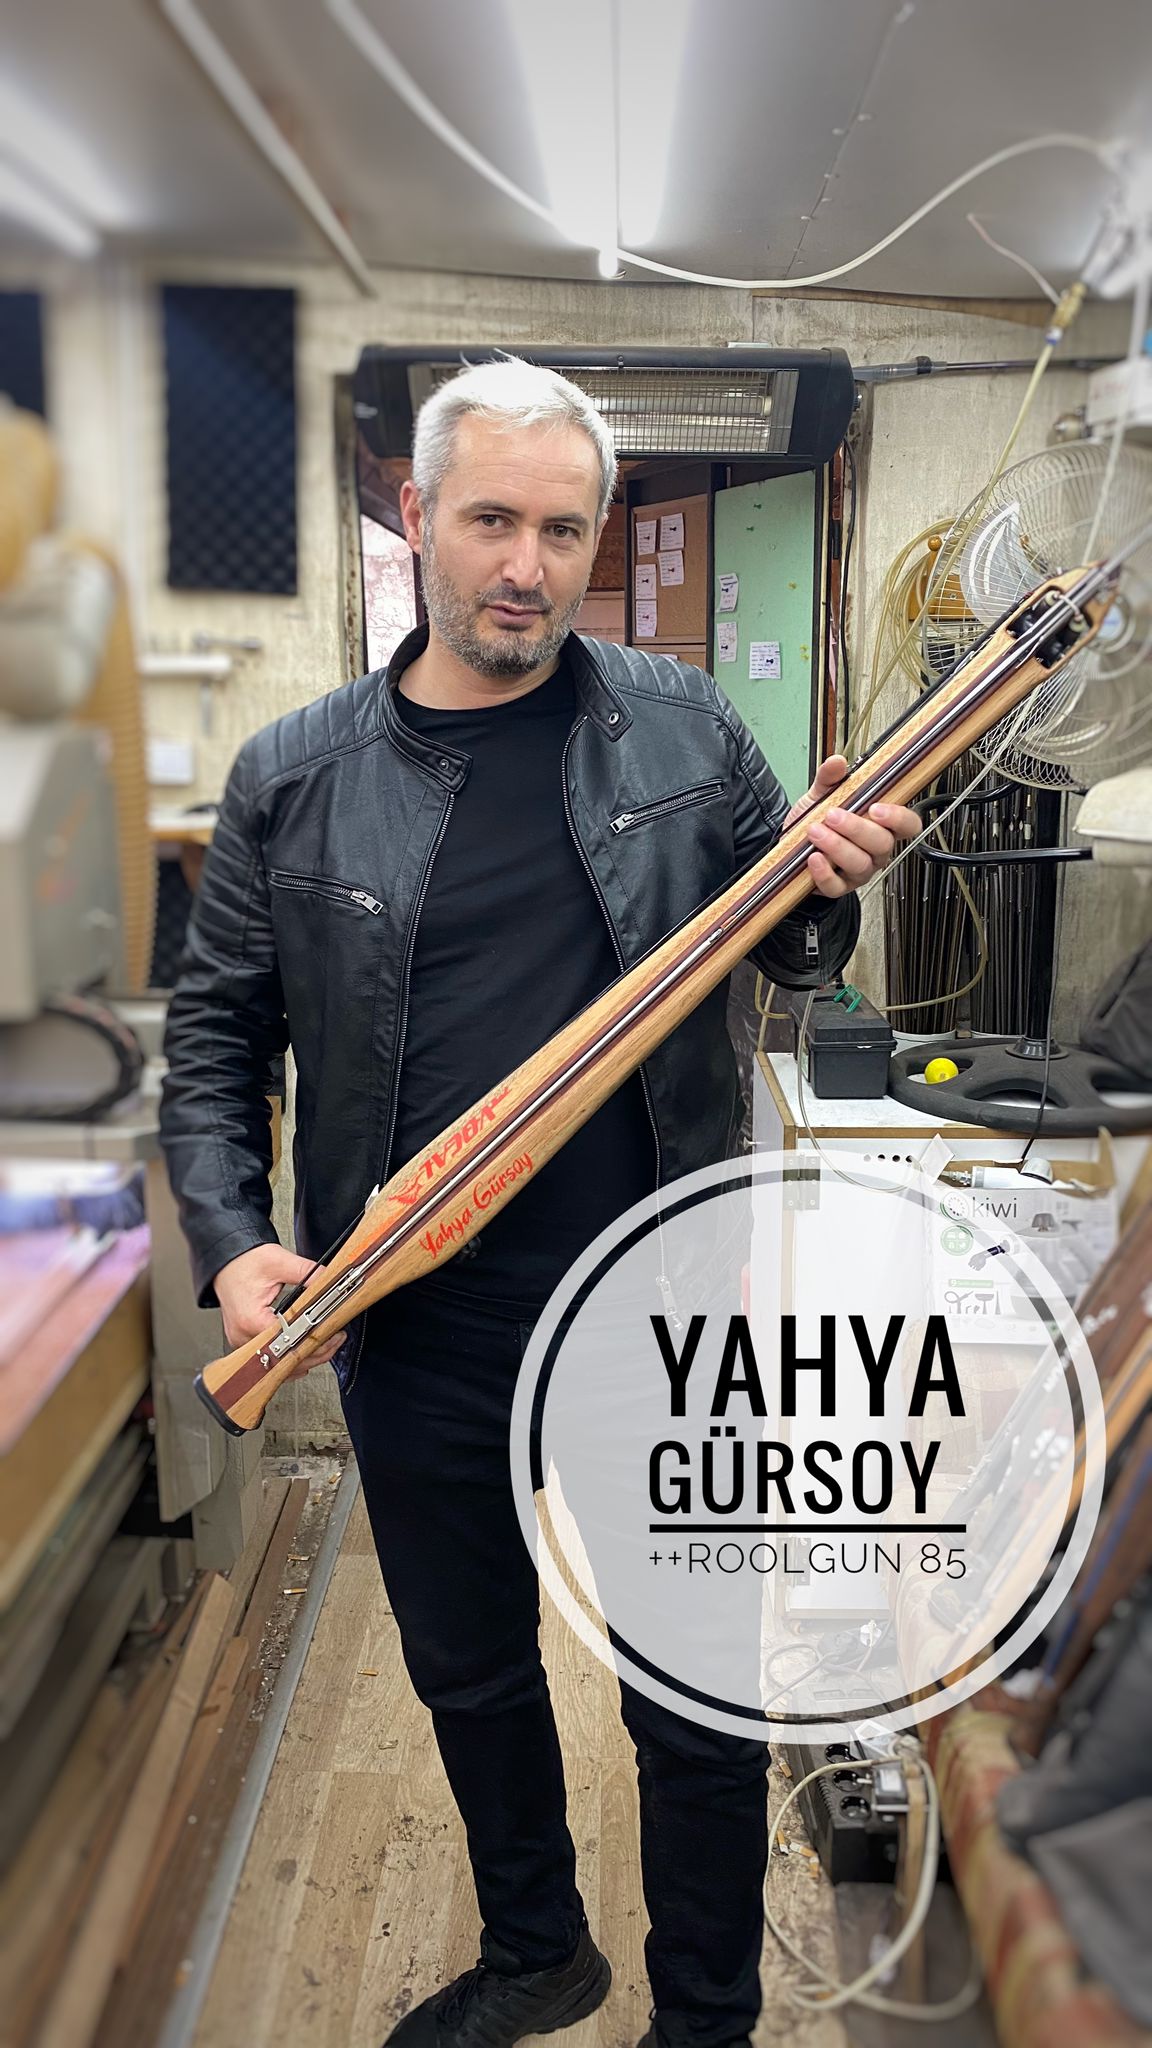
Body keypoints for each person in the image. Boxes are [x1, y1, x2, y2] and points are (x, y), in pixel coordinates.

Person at [160, 358, 920, 2048]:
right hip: (416, 1316)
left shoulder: (687, 728)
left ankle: (705, 2018)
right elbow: (214, 1038)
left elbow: (785, 949)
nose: (526, 566)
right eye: (492, 520)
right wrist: (234, 1242)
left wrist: (827, 892)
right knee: (471, 1666)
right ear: (416, 515)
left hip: (665, 1308)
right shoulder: (293, 774)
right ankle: (535, 1954)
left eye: (563, 530)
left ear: (598, 536)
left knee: (697, 1700)